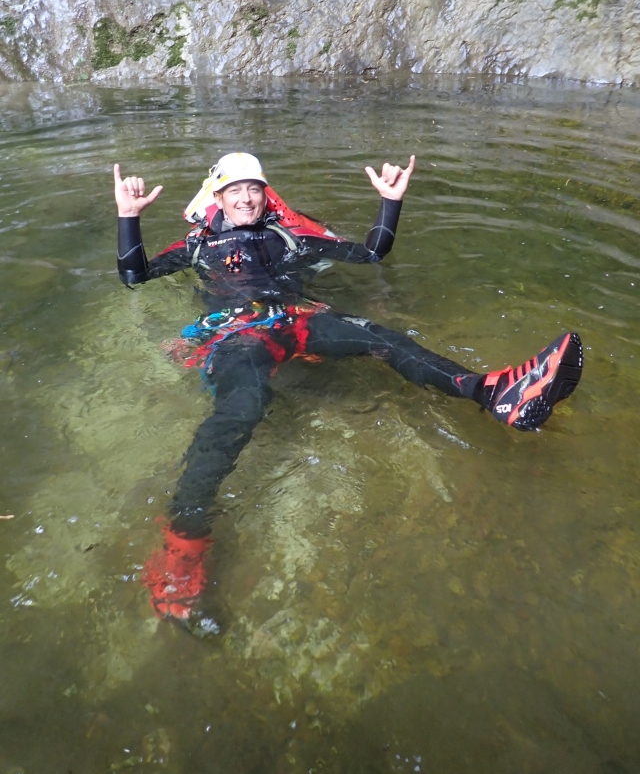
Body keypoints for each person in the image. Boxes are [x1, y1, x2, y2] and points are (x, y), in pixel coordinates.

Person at [114, 153, 583, 627]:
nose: (246, 197)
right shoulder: (197, 247)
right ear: (217, 198)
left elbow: (372, 252)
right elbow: (134, 276)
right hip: (236, 334)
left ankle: (495, 392)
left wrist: (390, 202)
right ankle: (182, 546)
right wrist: (129, 219)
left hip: (297, 322)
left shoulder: (291, 237)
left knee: (385, 340)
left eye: (254, 188)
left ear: (264, 193)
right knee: (245, 405)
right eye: (234, 190)